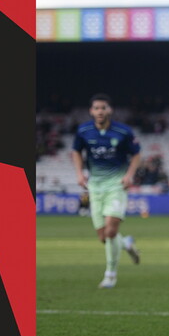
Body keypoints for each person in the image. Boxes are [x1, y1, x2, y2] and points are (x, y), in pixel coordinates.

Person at [70, 93, 142, 289]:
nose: (100, 111)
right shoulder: (84, 131)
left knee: (110, 230)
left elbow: (136, 154)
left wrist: (129, 175)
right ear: (91, 111)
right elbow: (76, 151)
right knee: (104, 236)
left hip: (116, 185)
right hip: (95, 187)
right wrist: (79, 173)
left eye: (103, 108)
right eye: (96, 108)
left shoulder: (123, 131)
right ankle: (126, 243)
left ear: (109, 110)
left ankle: (110, 274)